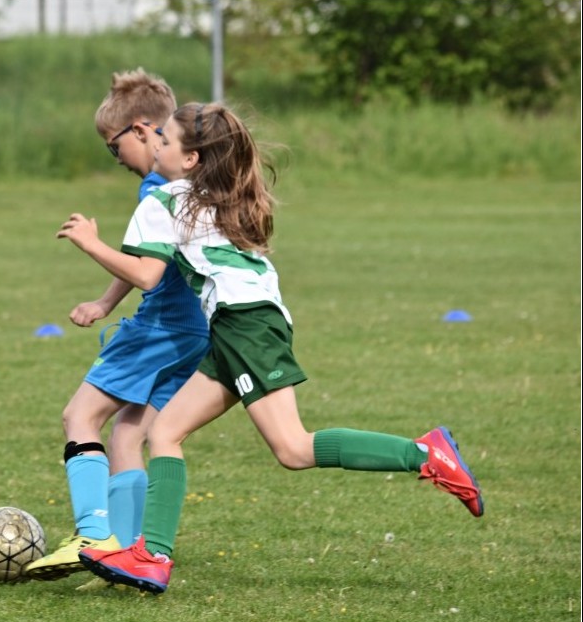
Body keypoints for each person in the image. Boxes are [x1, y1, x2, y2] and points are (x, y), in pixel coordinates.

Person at [55, 102, 484, 595]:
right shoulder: (219, 194)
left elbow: (148, 275)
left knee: (294, 448)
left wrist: (90, 241)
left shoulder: (165, 200)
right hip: (247, 322)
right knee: (166, 432)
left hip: (245, 325)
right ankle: (152, 555)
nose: (157, 146)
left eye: (167, 141)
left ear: (191, 159)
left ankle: (424, 453)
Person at [24, 70, 211, 586]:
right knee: (129, 435)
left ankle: (91, 533)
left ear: (144, 129)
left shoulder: (157, 189)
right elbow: (160, 260)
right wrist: (105, 302)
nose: (118, 159)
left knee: (79, 417)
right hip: (196, 333)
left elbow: (147, 271)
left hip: (158, 328)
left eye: (114, 148)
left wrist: (90, 243)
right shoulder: (194, 182)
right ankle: (126, 557)